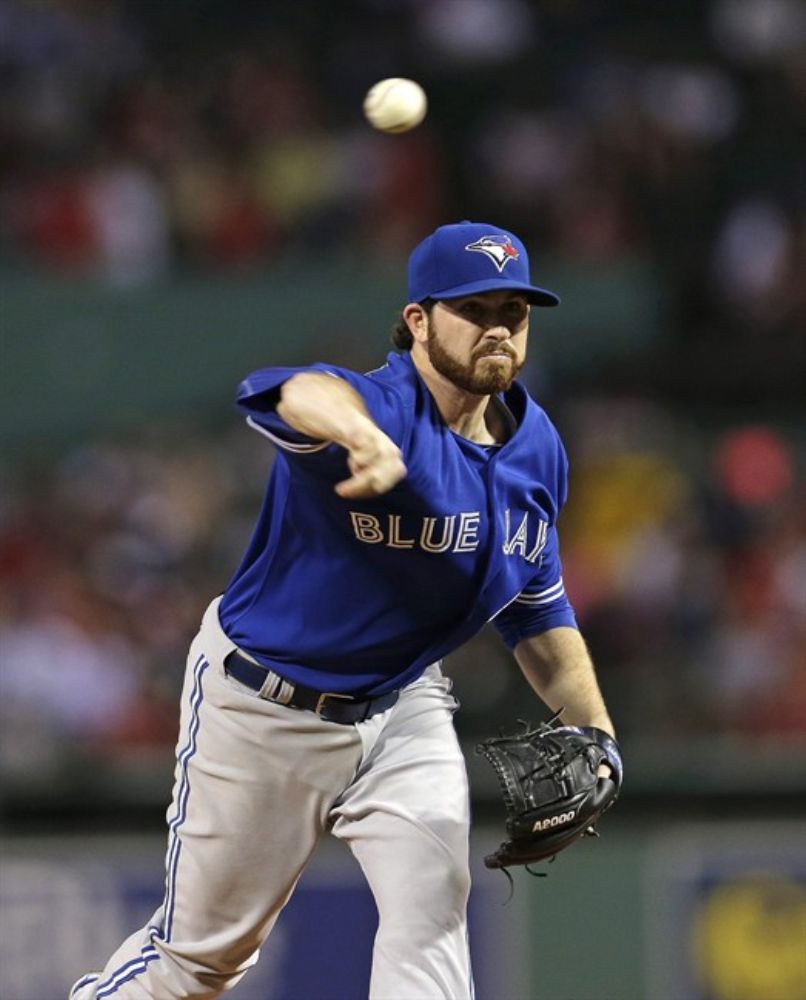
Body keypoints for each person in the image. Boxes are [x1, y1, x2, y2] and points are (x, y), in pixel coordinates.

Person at [70, 220, 617, 1000]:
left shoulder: (538, 450)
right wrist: (359, 435)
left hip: (404, 707)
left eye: (514, 312)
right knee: (197, 967)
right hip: (267, 705)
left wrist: (596, 731)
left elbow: (538, 612)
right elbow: (291, 390)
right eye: (475, 308)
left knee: (432, 907)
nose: (498, 328)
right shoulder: (380, 405)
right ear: (419, 321)